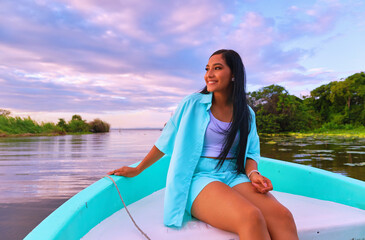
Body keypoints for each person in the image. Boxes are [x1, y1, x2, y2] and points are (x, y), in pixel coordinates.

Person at [108, 49, 298, 239]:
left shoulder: (246, 113)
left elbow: (251, 153)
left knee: (283, 216)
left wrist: (253, 173)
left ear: (234, 75)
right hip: (198, 177)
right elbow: (166, 140)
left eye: (217, 68)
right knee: (251, 217)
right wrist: (138, 169)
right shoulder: (192, 104)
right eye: (207, 69)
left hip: (234, 175)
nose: (209, 74)